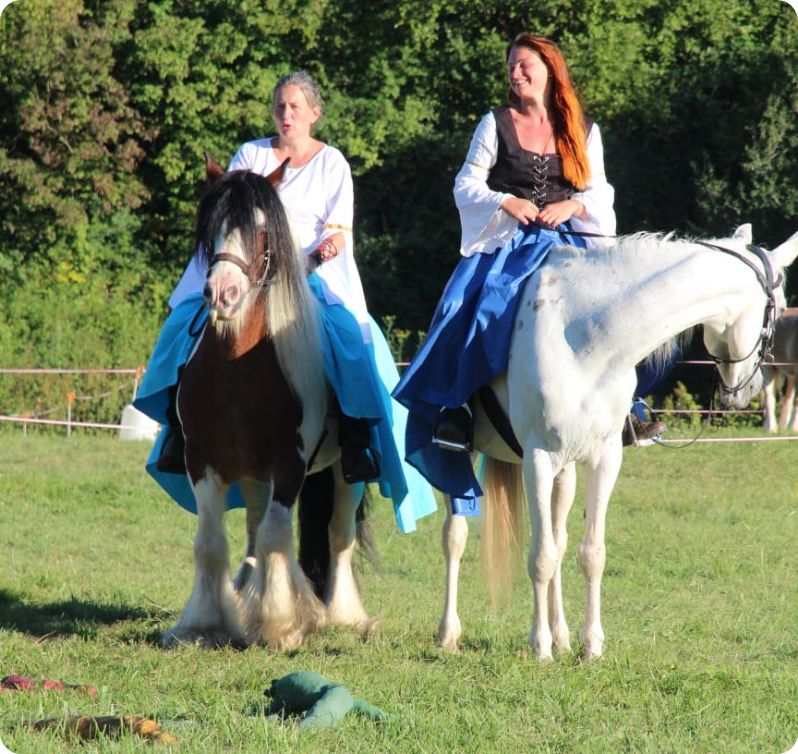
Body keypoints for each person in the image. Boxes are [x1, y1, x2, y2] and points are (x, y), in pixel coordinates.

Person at [134, 71, 436, 533]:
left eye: (296, 106)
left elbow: (337, 230)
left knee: (350, 340)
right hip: (247, 269)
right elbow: (229, 211)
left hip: (309, 273)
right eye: (280, 105)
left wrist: (313, 258)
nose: (286, 113)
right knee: (184, 325)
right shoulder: (250, 155)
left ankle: (356, 437)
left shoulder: (331, 162)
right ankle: (179, 429)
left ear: (315, 113)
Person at [393, 33, 664, 516]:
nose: (516, 74)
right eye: (511, 67)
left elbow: (601, 192)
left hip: (569, 244)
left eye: (524, 65)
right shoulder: (494, 124)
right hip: (507, 244)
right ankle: (457, 411)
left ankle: (631, 406)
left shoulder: (581, 129)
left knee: (625, 309)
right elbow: (466, 184)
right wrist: (506, 200)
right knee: (468, 307)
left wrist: (574, 203)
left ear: (549, 68)